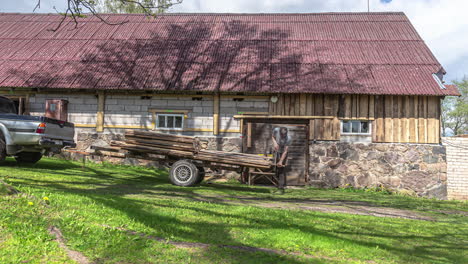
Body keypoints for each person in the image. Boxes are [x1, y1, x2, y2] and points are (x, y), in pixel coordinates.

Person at [271, 126, 292, 191]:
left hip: (283, 152)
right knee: (273, 166)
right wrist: (275, 143)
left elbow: (285, 151)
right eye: (282, 135)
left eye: (284, 135)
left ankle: (281, 186)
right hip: (276, 149)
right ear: (279, 132)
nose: (283, 136)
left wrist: (281, 161)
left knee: (281, 167)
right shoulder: (276, 130)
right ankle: (274, 182)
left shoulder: (288, 138)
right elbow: (272, 137)